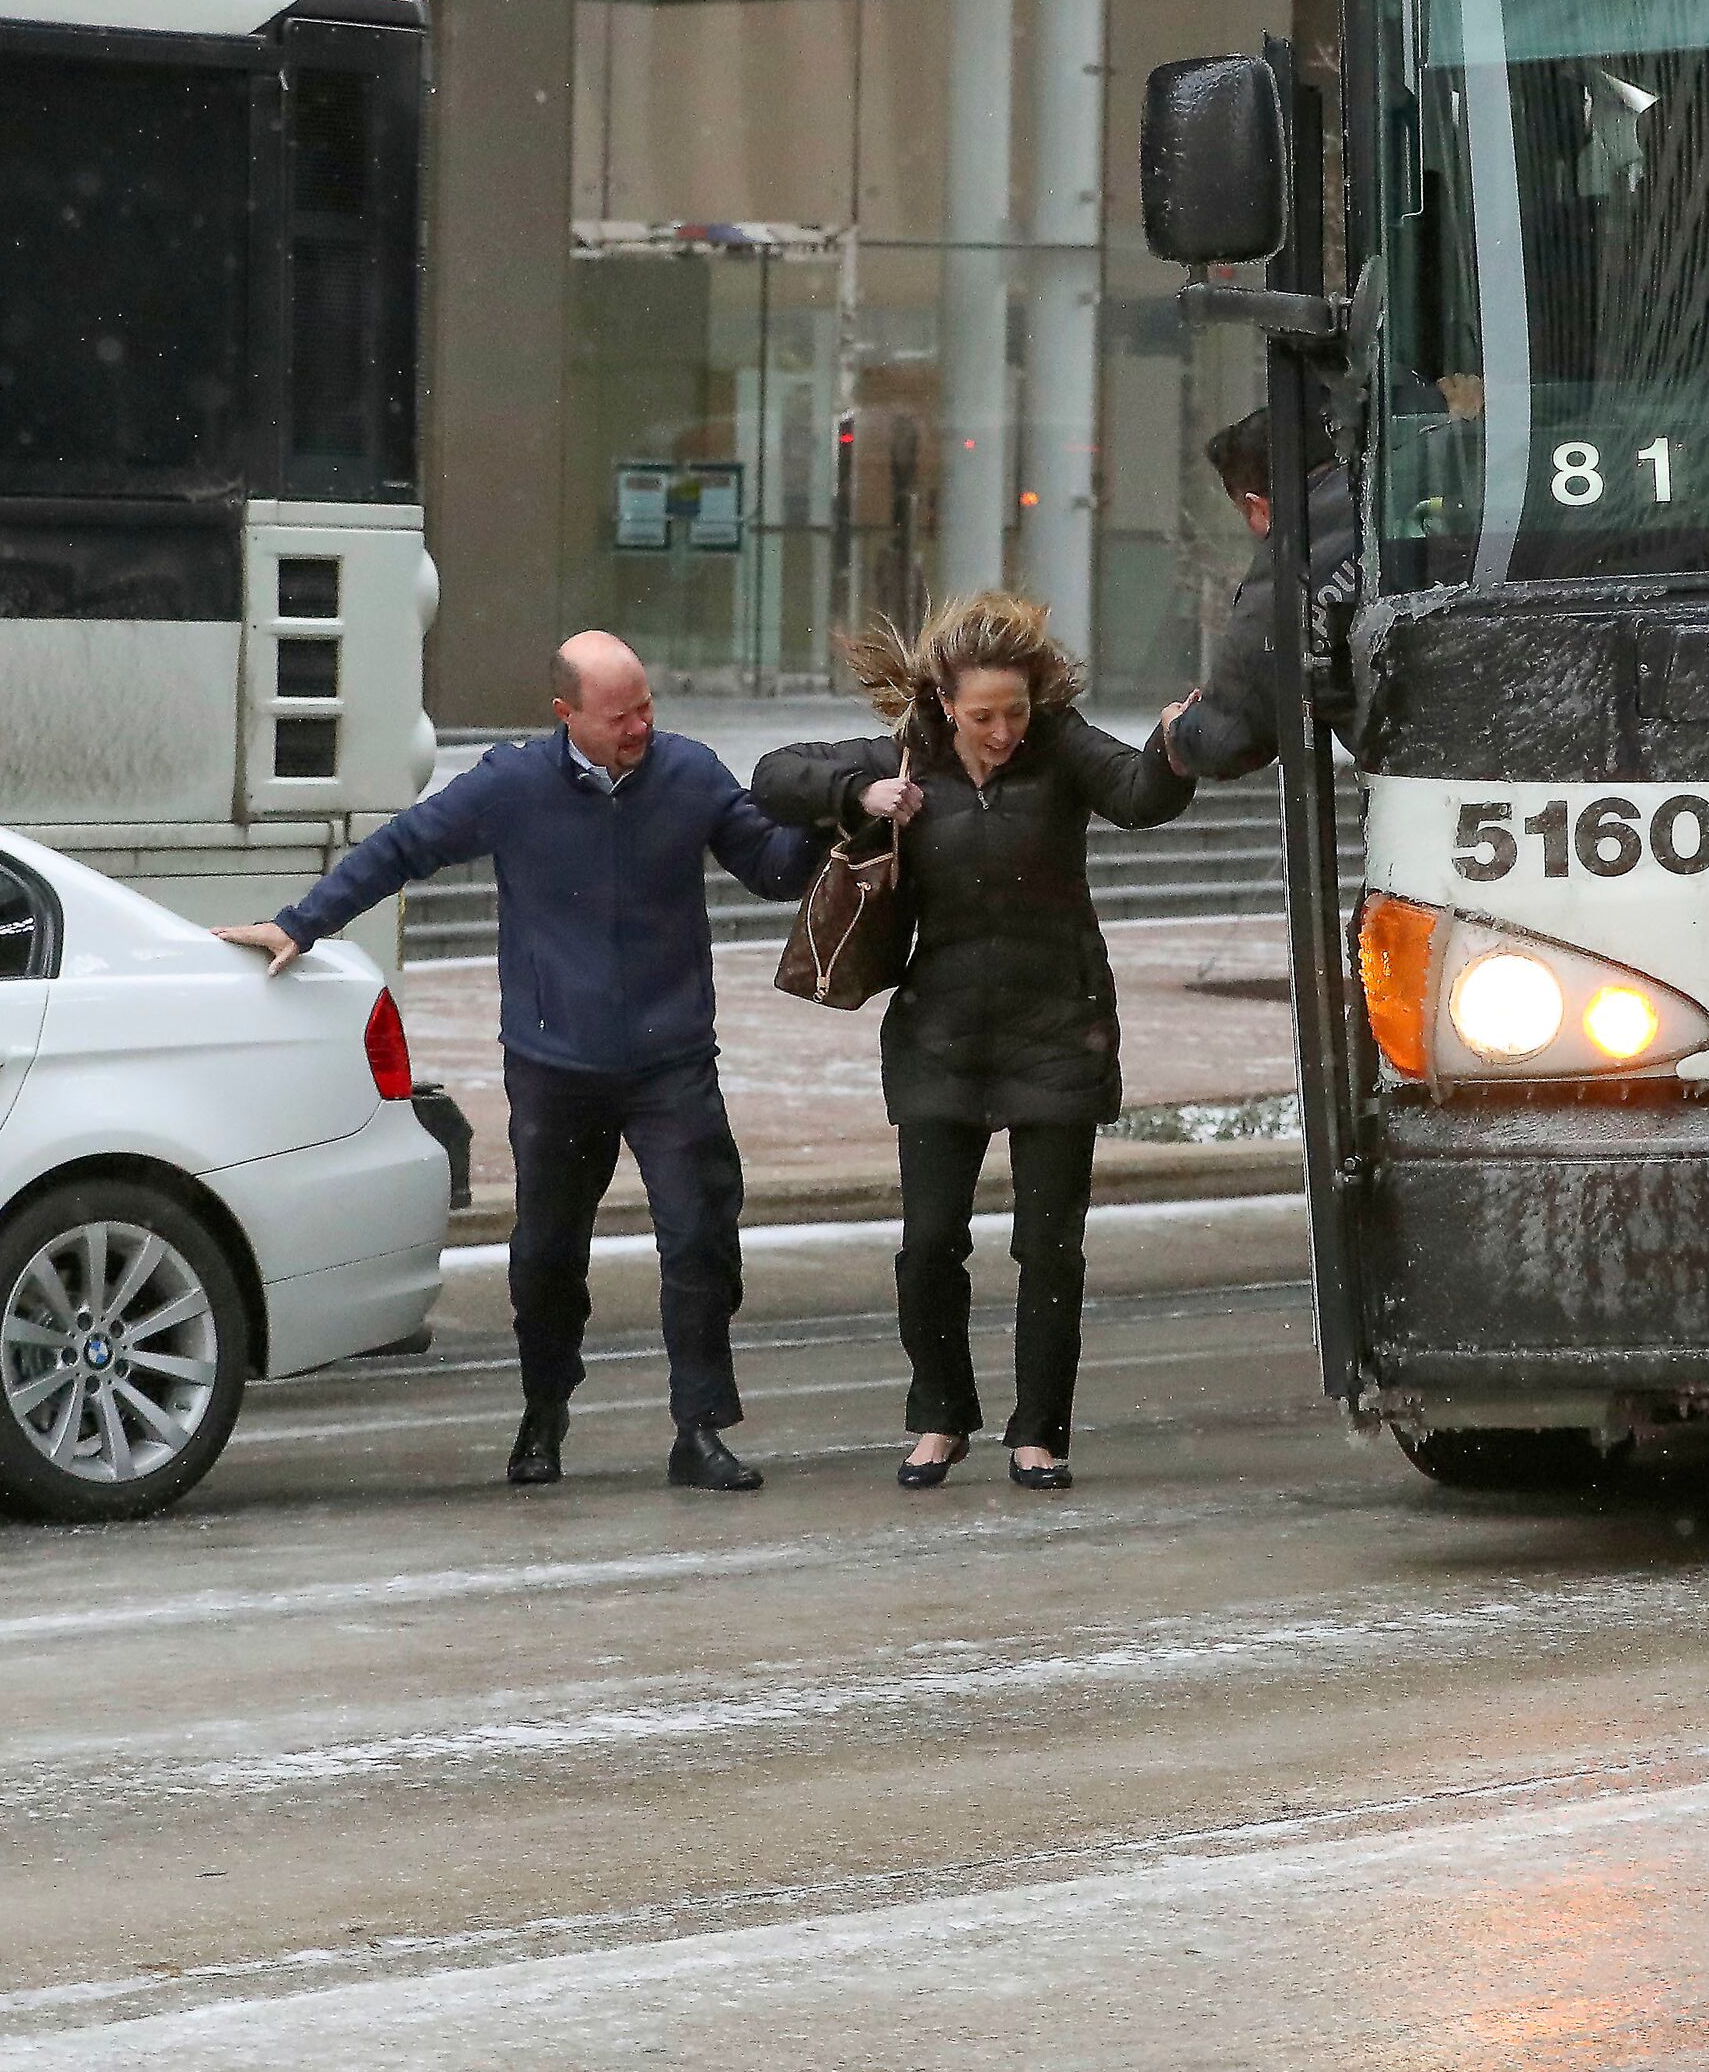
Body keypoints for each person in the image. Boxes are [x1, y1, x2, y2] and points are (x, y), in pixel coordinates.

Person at [216, 632, 816, 1494]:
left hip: (670, 1058)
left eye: (647, 705)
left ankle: (700, 1427)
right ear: (565, 714)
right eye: (621, 715)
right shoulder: (512, 786)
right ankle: (544, 1409)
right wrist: (300, 921)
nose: (642, 725)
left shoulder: (689, 774)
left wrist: (840, 821)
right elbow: (400, 848)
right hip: (554, 1062)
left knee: (700, 1239)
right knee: (546, 1253)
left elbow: (768, 866)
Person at [750, 594, 1193, 1492]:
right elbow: (769, 774)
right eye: (983, 715)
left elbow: (1143, 797)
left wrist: (1176, 742)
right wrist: (859, 793)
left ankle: (1039, 1431)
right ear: (945, 702)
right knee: (928, 1243)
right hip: (941, 1033)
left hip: (1057, 1026)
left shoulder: (1062, 747)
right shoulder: (905, 757)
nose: (1001, 731)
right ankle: (940, 1416)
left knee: (1050, 1246)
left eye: (1015, 712)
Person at [1160, 405, 1360, 783]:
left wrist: (1179, 731)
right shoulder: (1396, 496)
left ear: (1257, 506)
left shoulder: (1290, 573)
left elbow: (1225, 738)